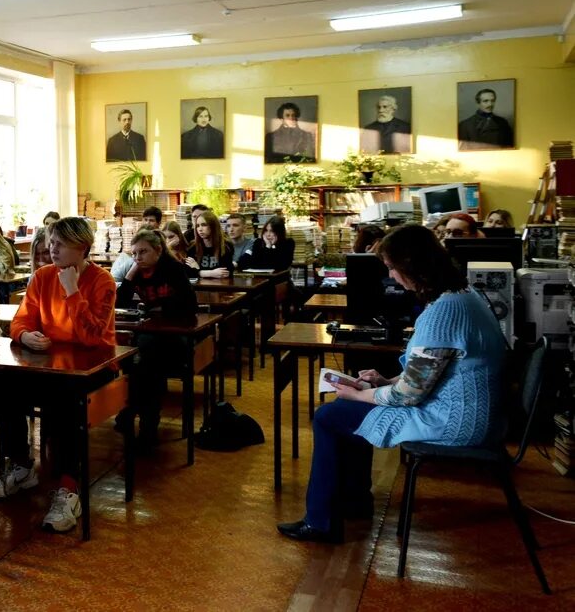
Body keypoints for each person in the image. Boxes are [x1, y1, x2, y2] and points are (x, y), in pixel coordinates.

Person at [277, 225, 507, 543]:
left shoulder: (443, 313)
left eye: (391, 267)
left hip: (454, 422)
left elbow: (410, 394)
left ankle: (321, 521)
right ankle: (353, 501)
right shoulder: (463, 296)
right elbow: (432, 370)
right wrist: (385, 381)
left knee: (329, 416)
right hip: (471, 414)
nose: (391, 276)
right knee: (345, 410)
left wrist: (361, 395)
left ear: (411, 266)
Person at [0, 217, 116, 533]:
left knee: (63, 402)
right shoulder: (43, 277)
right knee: (2, 388)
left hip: (94, 369)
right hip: (50, 366)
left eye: (60, 243)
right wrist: (25, 336)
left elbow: (92, 338)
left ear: (82, 248)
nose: (52, 248)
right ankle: (22, 465)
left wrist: (72, 291)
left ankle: (69, 487)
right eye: (51, 242)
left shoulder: (103, 282)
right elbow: (20, 321)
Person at [116, 229, 197, 450]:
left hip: (176, 338)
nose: (138, 257)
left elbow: (190, 304)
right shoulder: (137, 272)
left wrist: (163, 308)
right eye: (134, 253)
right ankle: (145, 421)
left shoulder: (173, 269)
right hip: (149, 339)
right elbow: (120, 302)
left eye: (143, 252)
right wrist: (130, 274)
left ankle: (135, 414)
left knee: (146, 362)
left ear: (158, 250)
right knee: (141, 362)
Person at [192, 209, 234, 279]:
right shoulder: (193, 247)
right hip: (198, 285)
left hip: (221, 284)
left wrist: (198, 271)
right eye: (197, 226)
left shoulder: (226, 246)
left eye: (204, 225)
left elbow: (225, 272)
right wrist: (210, 273)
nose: (200, 229)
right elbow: (188, 271)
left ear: (213, 226)